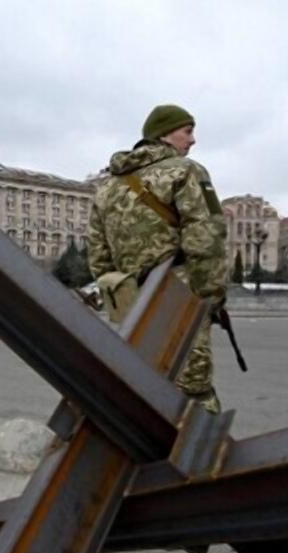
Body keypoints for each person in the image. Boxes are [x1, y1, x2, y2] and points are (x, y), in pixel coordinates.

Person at [87, 104, 228, 413]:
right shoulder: (187, 172)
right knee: (193, 392)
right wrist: (211, 298)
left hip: (131, 304)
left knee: (142, 385)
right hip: (179, 296)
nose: (193, 141)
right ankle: (195, 457)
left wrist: (123, 295)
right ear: (164, 134)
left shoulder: (107, 188)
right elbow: (206, 238)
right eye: (187, 131)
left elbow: (98, 258)